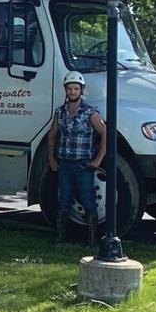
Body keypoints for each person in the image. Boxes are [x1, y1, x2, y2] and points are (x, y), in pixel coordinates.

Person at [47, 71, 107, 244]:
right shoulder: (60, 112)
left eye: (76, 88)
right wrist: (51, 157)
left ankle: (92, 238)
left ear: (82, 90)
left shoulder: (90, 113)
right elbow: (52, 135)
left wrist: (98, 159)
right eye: (69, 89)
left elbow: (104, 133)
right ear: (65, 90)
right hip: (64, 164)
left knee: (88, 201)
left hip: (83, 166)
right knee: (64, 200)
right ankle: (60, 236)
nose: (72, 92)